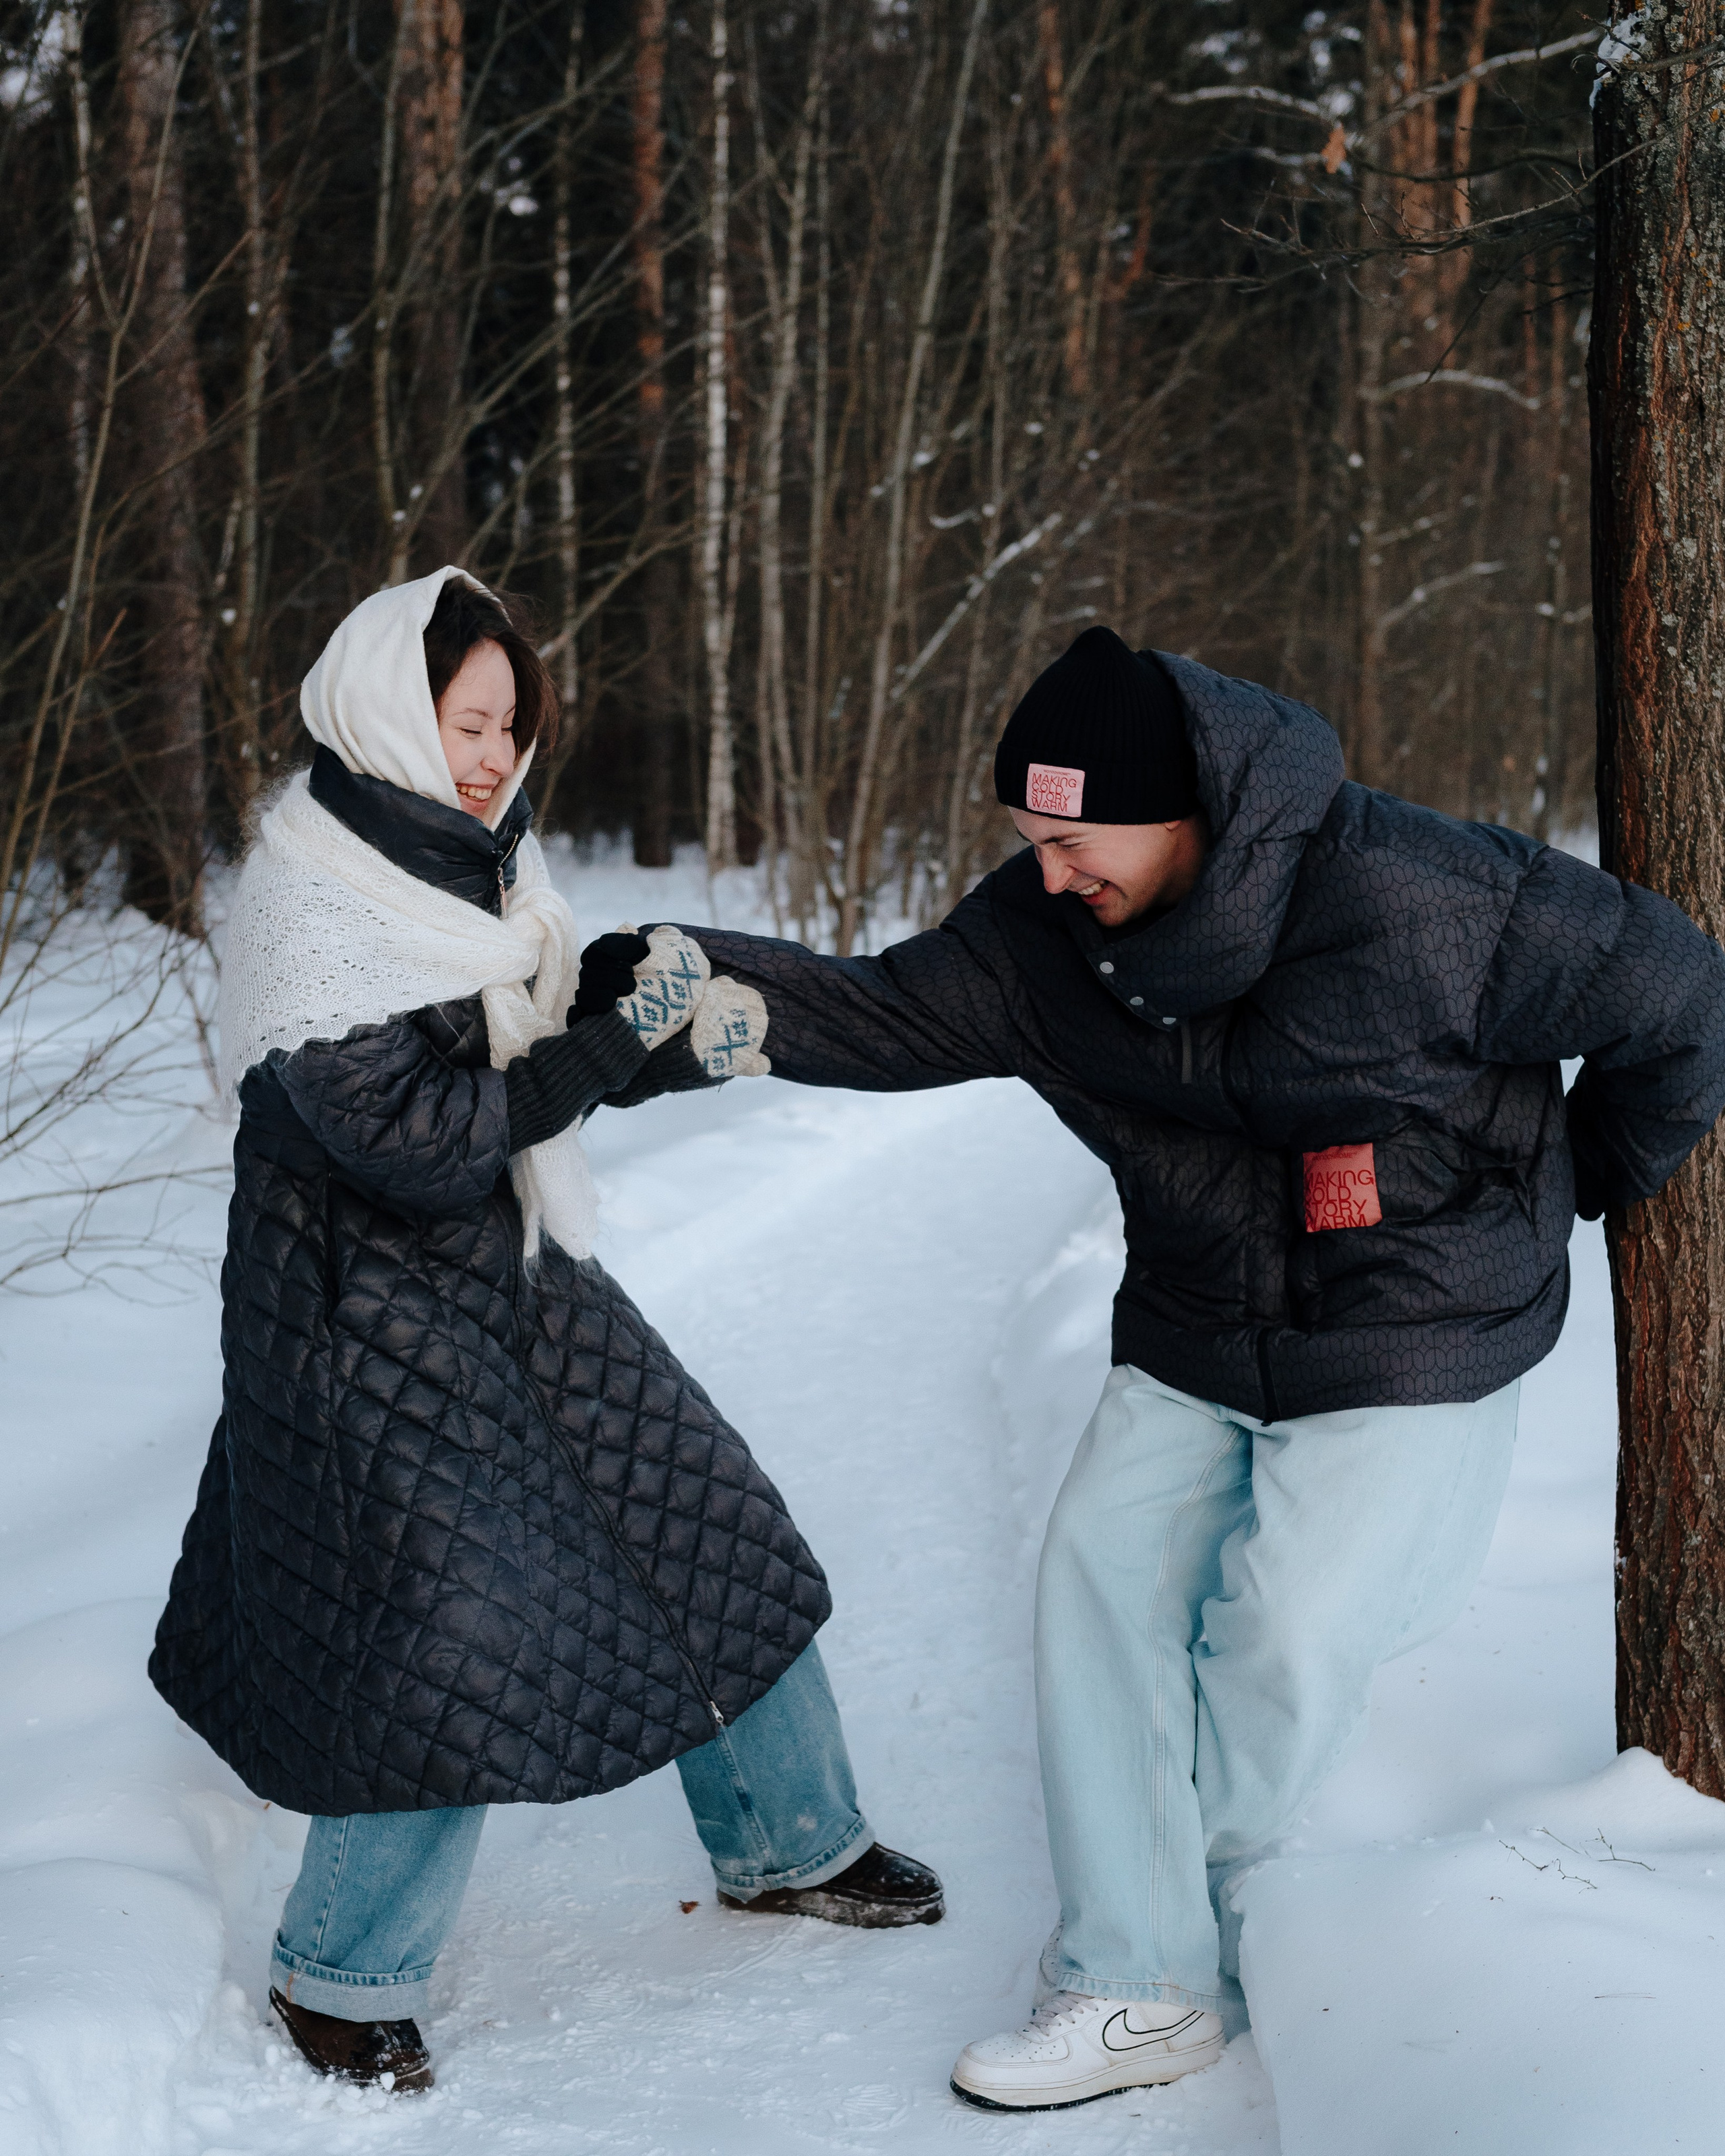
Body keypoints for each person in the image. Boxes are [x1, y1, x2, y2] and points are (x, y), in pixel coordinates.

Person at [674, 624, 1725, 2112]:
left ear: (1187, 814)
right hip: (1190, 1322)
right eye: (1027, 840)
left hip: (1412, 1328)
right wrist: (694, 990)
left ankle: (1186, 1933)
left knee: (1286, 1633)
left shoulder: (1420, 895)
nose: (1047, 872)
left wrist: (1574, 1182)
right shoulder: (1044, 933)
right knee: (1092, 1586)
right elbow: (884, 1011)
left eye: (1073, 839)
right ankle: (1135, 1979)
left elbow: (1675, 991)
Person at [149, 568, 941, 2097]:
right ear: (388, 706)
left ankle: (790, 1841)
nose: (493, 754)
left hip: (508, 1277)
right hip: (353, 1330)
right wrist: (600, 1049)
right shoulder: (313, 897)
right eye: (467, 720)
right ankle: (338, 1977)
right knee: (436, 1637)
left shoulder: (476, 874)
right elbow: (420, 1133)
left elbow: (533, 1041)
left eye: (511, 725)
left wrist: (662, 1037)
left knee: (704, 1519)